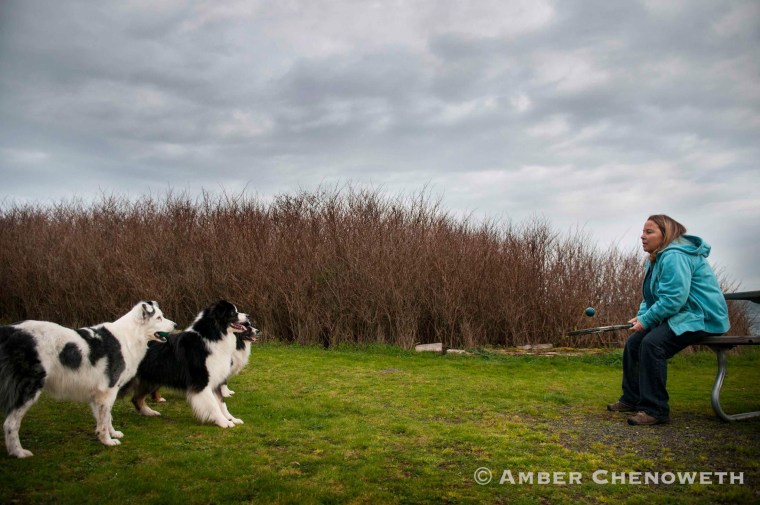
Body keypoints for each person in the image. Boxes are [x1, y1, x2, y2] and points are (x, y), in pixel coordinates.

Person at [607, 214, 730, 425]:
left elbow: (674, 298)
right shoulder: (655, 259)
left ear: (665, 235)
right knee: (634, 344)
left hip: (703, 317)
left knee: (652, 344)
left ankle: (655, 410)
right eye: (643, 232)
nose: (642, 237)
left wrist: (648, 320)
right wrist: (643, 316)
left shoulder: (675, 255)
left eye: (649, 232)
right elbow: (651, 297)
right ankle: (632, 399)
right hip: (684, 315)